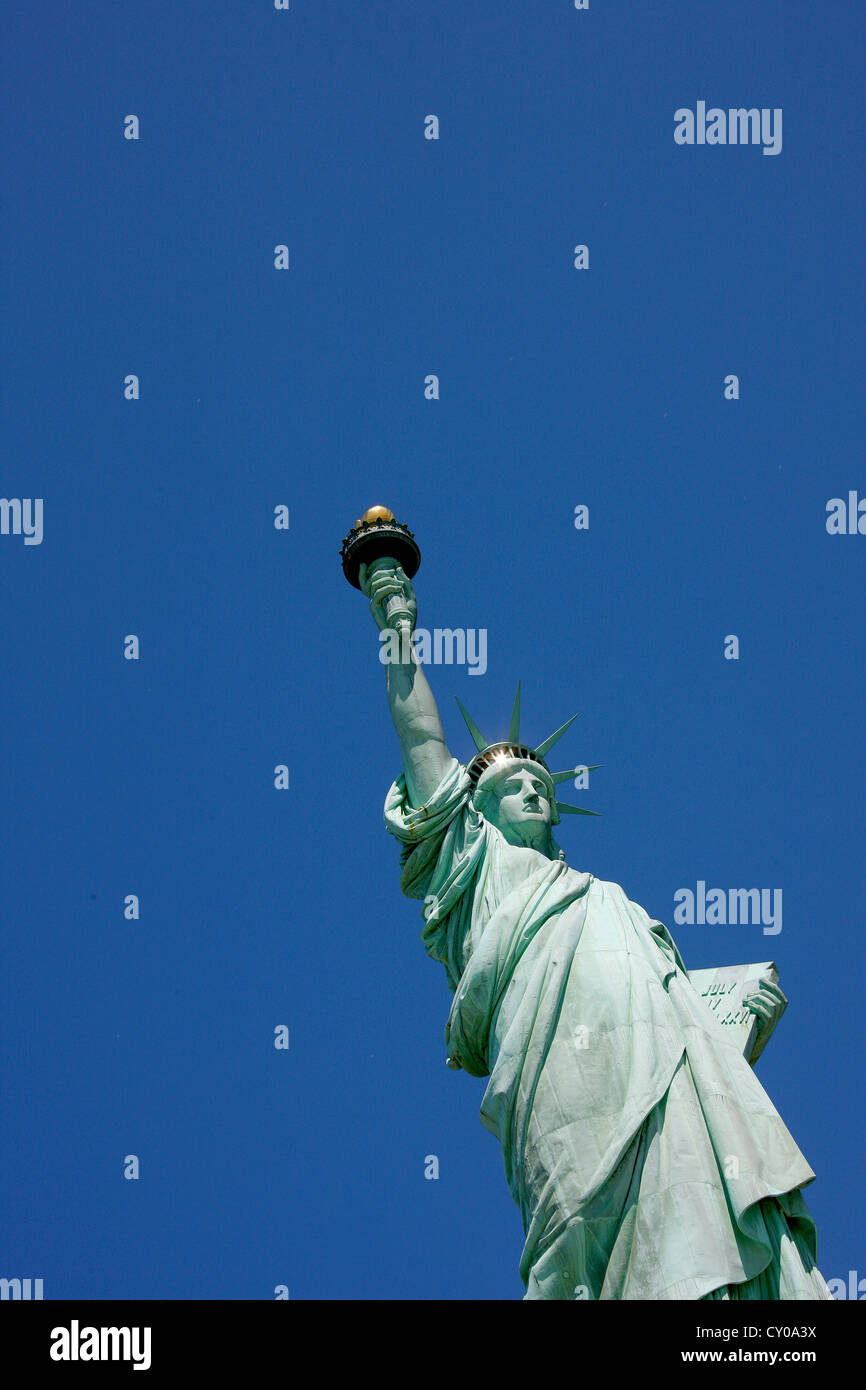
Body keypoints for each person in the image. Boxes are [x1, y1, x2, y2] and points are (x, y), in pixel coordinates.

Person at [360, 559, 832, 1301]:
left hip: (666, 1079)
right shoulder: (472, 871)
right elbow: (420, 736)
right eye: (513, 784)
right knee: (579, 1229)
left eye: (542, 785)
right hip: (556, 1080)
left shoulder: (606, 900)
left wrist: (730, 1006)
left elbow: (668, 1003)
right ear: (471, 810)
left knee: (697, 1195)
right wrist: (395, 622)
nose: (534, 791)